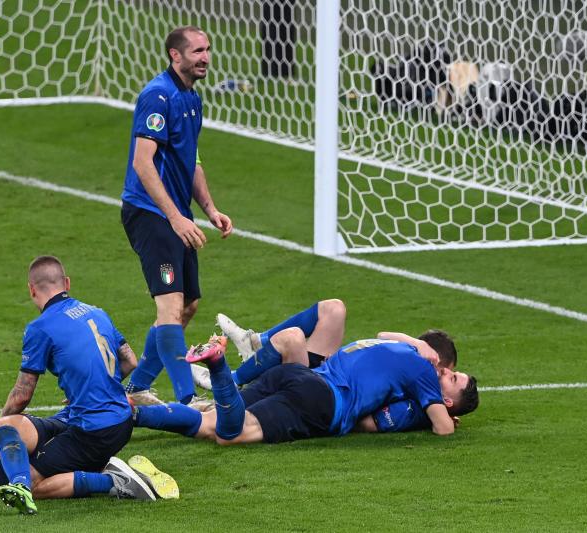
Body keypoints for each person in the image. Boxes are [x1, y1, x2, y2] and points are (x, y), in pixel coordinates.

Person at [0, 256, 178, 513]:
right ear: (67, 283)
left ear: (31, 290)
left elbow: (22, 395)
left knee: (16, 461)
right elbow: (130, 360)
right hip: (110, 420)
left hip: (92, 431)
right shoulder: (97, 312)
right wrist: (92, 387)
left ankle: (115, 481)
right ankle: (22, 479)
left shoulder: (40, 327)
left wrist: (0, 433)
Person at [133, 311, 479, 445]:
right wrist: (437, 411)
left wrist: (416, 342)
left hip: (298, 375)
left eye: (452, 377)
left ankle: (133, 411)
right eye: (449, 371)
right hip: (321, 402)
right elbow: (443, 428)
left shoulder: (401, 349)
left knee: (211, 422)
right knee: (229, 435)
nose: (445, 372)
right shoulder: (423, 375)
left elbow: (386, 331)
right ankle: (220, 368)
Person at [120, 26, 232, 409]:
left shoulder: (192, 98)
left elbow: (192, 160)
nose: (205, 57)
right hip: (150, 213)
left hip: (176, 214)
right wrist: (175, 217)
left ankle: (135, 389)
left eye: (208, 50)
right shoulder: (157, 96)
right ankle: (187, 397)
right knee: (170, 305)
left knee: (188, 306)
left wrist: (209, 209)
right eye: (198, 51)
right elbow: (142, 162)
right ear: (175, 55)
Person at [191, 299, 458, 432]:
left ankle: (230, 382)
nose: (441, 373)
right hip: (324, 373)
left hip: (322, 390)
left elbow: (375, 421)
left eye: (446, 374)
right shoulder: (409, 357)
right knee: (334, 308)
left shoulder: (419, 389)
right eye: (442, 368)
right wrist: (415, 342)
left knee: (292, 338)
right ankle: (257, 343)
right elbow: (382, 335)